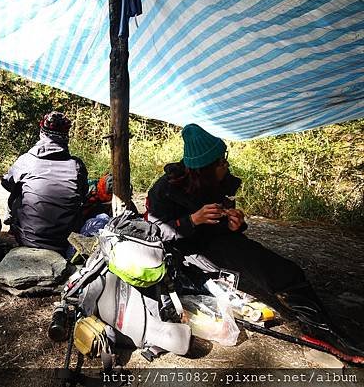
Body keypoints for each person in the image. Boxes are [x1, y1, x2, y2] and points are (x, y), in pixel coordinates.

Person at [146, 123, 363, 363]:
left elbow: (226, 212)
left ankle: (321, 331)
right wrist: (191, 220)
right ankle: (324, 335)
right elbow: (155, 233)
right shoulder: (165, 190)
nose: (225, 164)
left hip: (216, 240)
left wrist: (236, 223)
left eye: (223, 158)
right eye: (220, 162)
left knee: (285, 272)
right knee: (280, 273)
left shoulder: (217, 181)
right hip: (186, 251)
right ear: (204, 169)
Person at [2, 111, 88, 255]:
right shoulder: (76, 165)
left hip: (28, 238)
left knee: (18, 190)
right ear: (66, 137)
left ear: (42, 132)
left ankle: (12, 226)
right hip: (65, 241)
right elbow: (83, 192)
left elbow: (6, 183)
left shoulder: (27, 160)